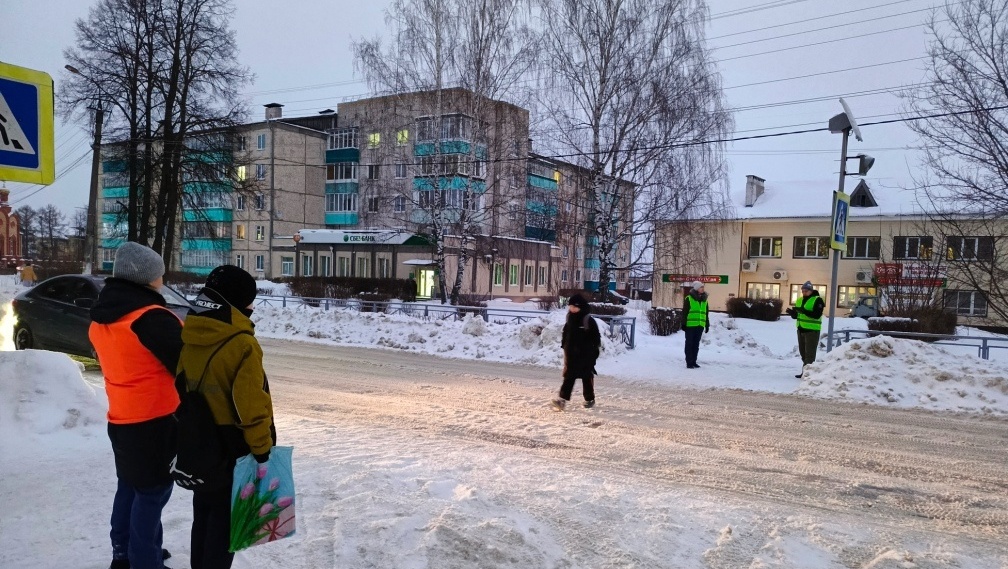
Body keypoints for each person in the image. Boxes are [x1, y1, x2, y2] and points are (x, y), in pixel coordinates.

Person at [89, 241, 183, 569]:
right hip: (156, 420)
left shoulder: (102, 318)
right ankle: (145, 561)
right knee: (152, 494)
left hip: (121, 417)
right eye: (159, 273)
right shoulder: (151, 318)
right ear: (147, 278)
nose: (162, 279)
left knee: (129, 487)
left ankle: (124, 553)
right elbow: (186, 366)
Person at [177, 265, 275, 569]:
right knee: (225, 526)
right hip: (232, 449)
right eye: (249, 300)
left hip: (198, 442)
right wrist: (262, 450)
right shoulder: (242, 343)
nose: (252, 307)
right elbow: (251, 406)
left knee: (203, 514)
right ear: (236, 302)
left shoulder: (191, 332)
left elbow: (180, 382)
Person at [552, 293, 601, 410]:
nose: (572, 309)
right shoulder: (570, 318)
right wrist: (564, 345)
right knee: (568, 377)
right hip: (571, 355)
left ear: (580, 307)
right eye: (570, 307)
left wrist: (594, 352)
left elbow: (596, 337)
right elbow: (566, 333)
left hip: (585, 355)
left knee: (586, 377)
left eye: (574, 307)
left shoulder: (588, 320)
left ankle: (589, 399)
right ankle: (562, 401)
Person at [786, 281, 825, 378]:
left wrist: (804, 311)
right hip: (801, 329)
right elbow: (797, 316)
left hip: (812, 330)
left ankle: (808, 374)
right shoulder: (800, 300)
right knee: (803, 353)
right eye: (803, 291)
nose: (804, 292)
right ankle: (806, 371)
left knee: (810, 354)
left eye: (806, 291)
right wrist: (792, 313)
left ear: (811, 291)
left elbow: (817, 315)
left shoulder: (818, 300)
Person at [681, 281, 710, 369]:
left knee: (696, 345)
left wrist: (707, 325)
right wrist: (683, 323)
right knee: (689, 344)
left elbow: (706, 313)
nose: (703, 289)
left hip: (700, 325)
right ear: (696, 288)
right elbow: (685, 312)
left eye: (703, 287)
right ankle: (689, 362)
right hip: (690, 325)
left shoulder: (705, 300)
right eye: (701, 287)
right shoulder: (689, 298)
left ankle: (694, 361)